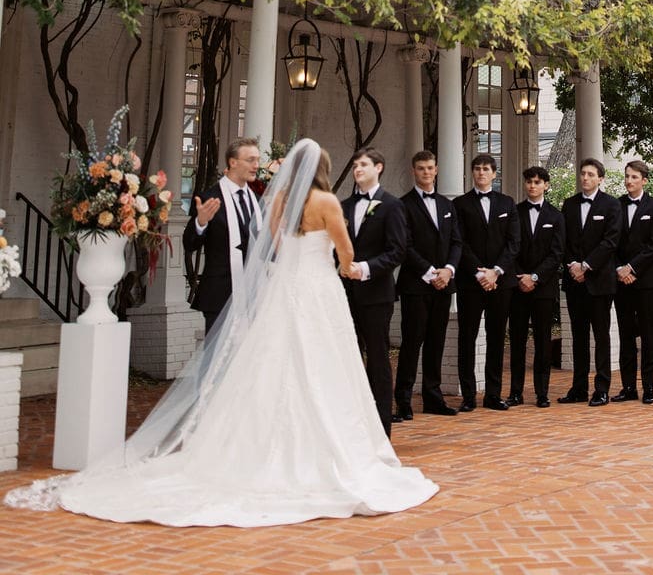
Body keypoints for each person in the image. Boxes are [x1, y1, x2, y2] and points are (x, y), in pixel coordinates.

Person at [6, 140, 438, 523]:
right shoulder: (327, 203)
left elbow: (270, 250)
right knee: (326, 367)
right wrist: (353, 268)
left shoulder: (279, 200)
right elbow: (345, 258)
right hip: (320, 295)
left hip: (284, 296)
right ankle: (331, 451)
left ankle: (249, 449)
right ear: (324, 167)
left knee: (271, 365)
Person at [341, 149, 409, 438]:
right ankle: (353, 423)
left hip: (377, 294)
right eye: (355, 165)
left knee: (378, 357)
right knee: (348, 357)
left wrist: (366, 268)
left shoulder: (391, 206)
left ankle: (381, 427)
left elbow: (397, 251)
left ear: (378, 168)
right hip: (344, 294)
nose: (358, 169)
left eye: (364, 165)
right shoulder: (342, 206)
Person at [394, 149, 462, 421]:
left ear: (436, 170)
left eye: (430, 168)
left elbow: (456, 242)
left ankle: (433, 398)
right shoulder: (402, 205)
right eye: (420, 168)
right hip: (416, 284)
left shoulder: (447, 206)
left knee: (437, 341)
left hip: (444, 284)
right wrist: (430, 272)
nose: (426, 172)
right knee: (412, 343)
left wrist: (448, 270)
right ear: (414, 171)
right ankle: (403, 402)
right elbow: (404, 245)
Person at [453, 152, 519, 411]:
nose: (481, 173)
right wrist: (480, 273)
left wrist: (496, 271)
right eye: (477, 169)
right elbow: (460, 242)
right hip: (471, 282)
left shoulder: (507, 203)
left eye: (486, 169)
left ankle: (493, 394)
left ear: (494, 173)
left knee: (496, 338)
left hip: (501, 282)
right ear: (473, 173)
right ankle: (468, 396)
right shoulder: (460, 204)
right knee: (467, 338)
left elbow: (514, 243)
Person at [559, 157, 623, 407]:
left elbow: (611, 241)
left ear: (600, 179)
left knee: (601, 335)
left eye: (590, 174)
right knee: (578, 336)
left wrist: (586, 266)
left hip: (600, 281)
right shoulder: (570, 204)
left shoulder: (611, 205)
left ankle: (602, 388)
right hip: (575, 281)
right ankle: (578, 387)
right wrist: (572, 265)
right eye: (582, 174)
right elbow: (563, 240)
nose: (584, 178)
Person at [182, 136, 262, 334]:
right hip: (220, 294)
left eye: (258, 160)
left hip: (255, 294)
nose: (256, 165)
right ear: (233, 162)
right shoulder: (209, 198)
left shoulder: (259, 201)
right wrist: (200, 223)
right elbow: (189, 243)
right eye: (250, 160)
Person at [507, 165, 565, 408]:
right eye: (529, 181)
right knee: (517, 341)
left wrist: (536, 277)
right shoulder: (514, 213)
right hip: (517, 285)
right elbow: (510, 247)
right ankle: (515, 392)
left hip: (543, 287)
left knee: (542, 341)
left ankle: (542, 392)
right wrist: (521, 277)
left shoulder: (556, 216)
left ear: (546, 185)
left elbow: (557, 253)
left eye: (537, 182)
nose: (532, 185)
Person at [613, 160, 653, 404]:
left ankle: (648, 387)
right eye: (627, 177)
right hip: (621, 281)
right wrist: (619, 270)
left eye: (634, 177)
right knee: (625, 336)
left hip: (646, 280)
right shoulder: (617, 206)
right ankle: (628, 387)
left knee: (648, 335)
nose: (629, 181)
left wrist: (632, 268)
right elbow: (611, 241)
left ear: (644, 180)